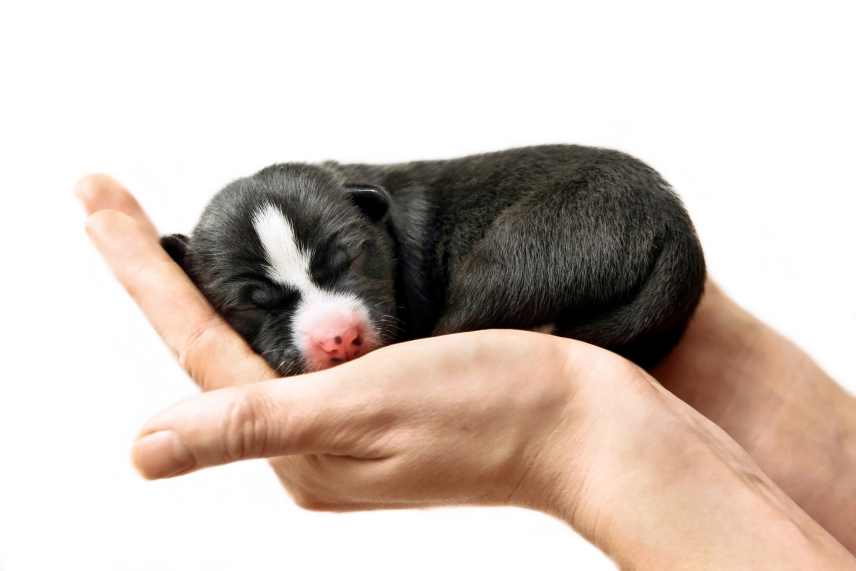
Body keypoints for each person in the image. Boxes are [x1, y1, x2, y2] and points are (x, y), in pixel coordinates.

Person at [76, 175, 856, 569]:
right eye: (263, 305)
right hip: (623, 235)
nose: (332, 326)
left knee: (488, 273)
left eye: (341, 269)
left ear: (367, 213)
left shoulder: (387, 208)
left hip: (602, 210)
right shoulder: (359, 216)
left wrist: (574, 427)